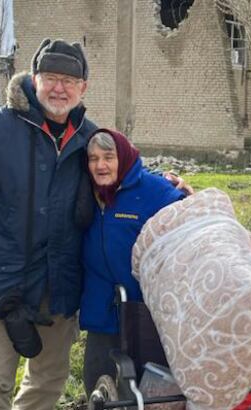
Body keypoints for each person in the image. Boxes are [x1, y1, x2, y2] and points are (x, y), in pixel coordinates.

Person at [0, 39, 189, 410]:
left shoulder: (87, 139)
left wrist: (171, 188)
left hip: (57, 288)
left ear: (83, 88)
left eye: (69, 80)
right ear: (34, 81)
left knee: (46, 385)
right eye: (51, 78)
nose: (59, 88)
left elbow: (121, 173)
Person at [79, 128, 185, 395]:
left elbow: (188, 220)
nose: (100, 165)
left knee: (146, 394)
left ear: (123, 158)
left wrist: (187, 194)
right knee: (96, 386)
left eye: (108, 157)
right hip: (101, 312)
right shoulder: (83, 192)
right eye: (93, 159)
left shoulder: (153, 190)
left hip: (144, 313)